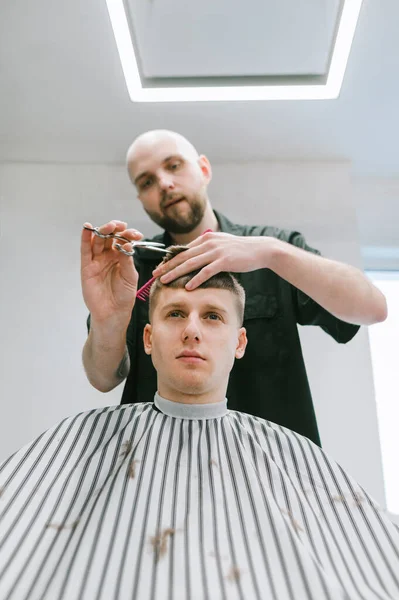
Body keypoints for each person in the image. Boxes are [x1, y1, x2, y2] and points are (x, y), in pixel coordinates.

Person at [1, 252, 398, 600]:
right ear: (148, 339)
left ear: (239, 343)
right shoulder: (85, 441)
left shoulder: (291, 454)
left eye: (212, 316)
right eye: (175, 314)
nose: (192, 329)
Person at [81, 129, 387, 447]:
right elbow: (103, 378)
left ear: (203, 169)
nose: (164, 184)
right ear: (141, 198)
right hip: (162, 469)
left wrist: (272, 253)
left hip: (273, 471)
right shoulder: (134, 269)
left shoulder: (272, 253)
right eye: (146, 182)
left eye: (173, 166)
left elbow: (374, 308)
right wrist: (107, 318)